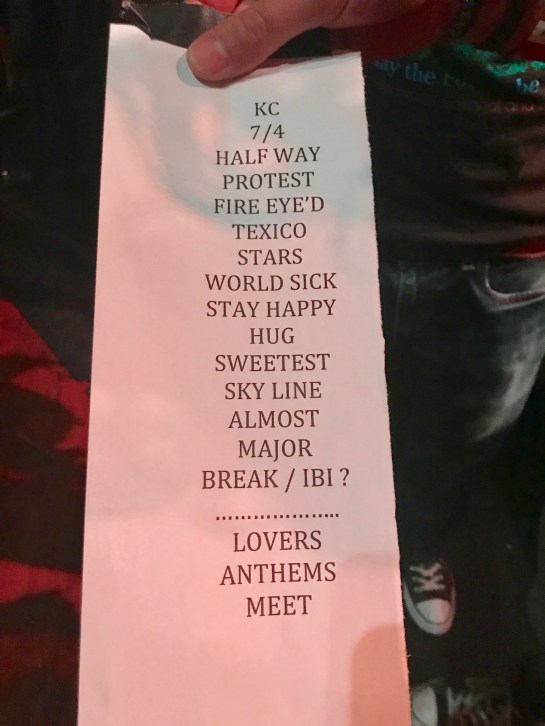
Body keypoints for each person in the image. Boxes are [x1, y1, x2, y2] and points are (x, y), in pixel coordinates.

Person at [188, 2, 545, 723]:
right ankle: (324, 560)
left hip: (506, 229)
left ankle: (412, 543)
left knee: (453, 440)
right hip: (303, 176)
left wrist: (461, 9)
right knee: (301, 430)